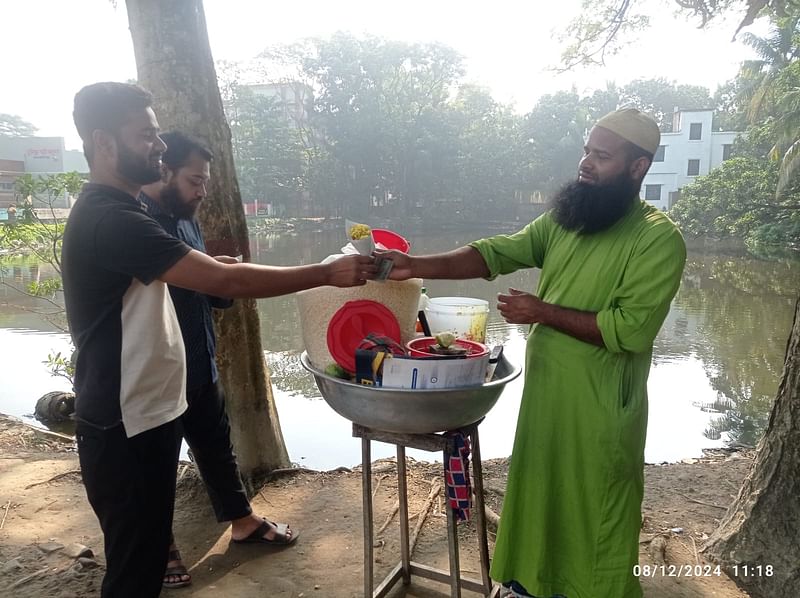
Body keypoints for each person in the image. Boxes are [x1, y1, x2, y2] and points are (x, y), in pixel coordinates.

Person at [62, 82, 376, 598]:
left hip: (148, 411)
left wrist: (210, 270)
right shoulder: (111, 218)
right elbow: (227, 285)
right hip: (123, 423)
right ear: (103, 142)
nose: (159, 146)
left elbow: (194, 279)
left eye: (158, 133)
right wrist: (325, 273)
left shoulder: (130, 211)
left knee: (139, 561)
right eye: (146, 134)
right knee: (133, 575)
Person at [382, 108, 687, 598]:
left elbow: (629, 330)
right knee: (540, 498)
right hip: (547, 397)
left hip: (602, 407)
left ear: (638, 167)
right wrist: (413, 264)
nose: (586, 163)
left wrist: (542, 311)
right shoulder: (570, 220)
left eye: (602, 156)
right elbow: (495, 253)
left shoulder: (656, 238)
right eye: (587, 151)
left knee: (596, 511)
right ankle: (528, 588)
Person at [139, 131, 297, 589]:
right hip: (156, 369)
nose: (202, 191)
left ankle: (242, 520)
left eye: (205, 181)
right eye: (195, 180)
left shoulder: (184, 215)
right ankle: (160, 543)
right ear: (163, 171)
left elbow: (195, 277)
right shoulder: (136, 222)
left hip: (199, 356)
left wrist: (212, 268)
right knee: (156, 462)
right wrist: (220, 275)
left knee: (215, 445)